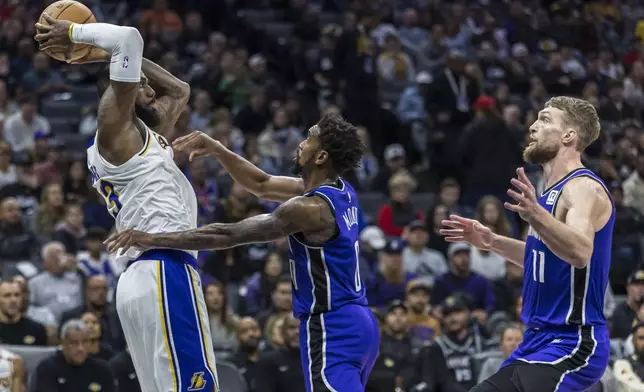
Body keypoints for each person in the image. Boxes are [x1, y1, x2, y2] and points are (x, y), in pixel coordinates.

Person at [106, 113, 381, 392]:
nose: (301, 143)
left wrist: (151, 238)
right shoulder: (340, 191)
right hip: (360, 323)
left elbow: (228, 234)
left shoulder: (308, 210)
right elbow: (261, 184)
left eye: (309, 137)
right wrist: (217, 149)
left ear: (321, 157)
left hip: (332, 325)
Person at [34, 14, 218, 392]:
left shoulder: (142, 139)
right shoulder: (116, 131)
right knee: (193, 385)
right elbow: (129, 39)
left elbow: (180, 90)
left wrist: (96, 55)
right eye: (142, 85)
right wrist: (76, 34)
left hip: (141, 276)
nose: (151, 89)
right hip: (164, 266)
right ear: (125, 89)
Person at [441, 96, 613, 392]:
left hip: (572, 340)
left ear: (569, 136)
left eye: (545, 119)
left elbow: (580, 252)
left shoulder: (583, 188)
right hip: (535, 341)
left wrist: (535, 215)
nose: (533, 126)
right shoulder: (547, 195)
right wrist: (493, 241)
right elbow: (543, 258)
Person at [32, 319, 114, 392]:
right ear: (63, 344)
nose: (80, 348)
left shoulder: (102, 369)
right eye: (74, 343)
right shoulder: (47, 368)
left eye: (85, 342)